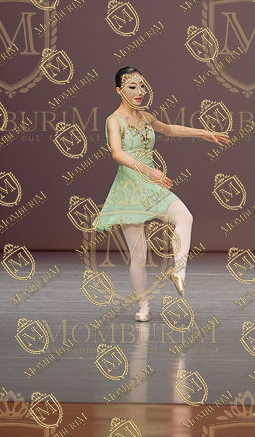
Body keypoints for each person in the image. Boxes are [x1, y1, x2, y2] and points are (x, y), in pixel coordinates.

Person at [94, 66, 229, 322]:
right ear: (119, 90)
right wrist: (149, 171)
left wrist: (204, 133)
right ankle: (143, 305)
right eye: (132, 87)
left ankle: (178, 271)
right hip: (129, 189)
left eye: (141, 86)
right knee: (139, 255)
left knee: (184, 216)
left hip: (152, 186)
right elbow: (117, 153)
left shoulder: (146, 117)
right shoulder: (114, 120)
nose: (139, 91)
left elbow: (169, 129)